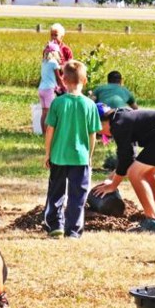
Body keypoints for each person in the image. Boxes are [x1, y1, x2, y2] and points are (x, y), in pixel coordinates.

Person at [91, 105, 155, 233]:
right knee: (149, 174)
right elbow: (129, 158)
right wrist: (110, 179)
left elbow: (125, 159)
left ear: (101, 122)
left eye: (99, 130)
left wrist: (113, 185)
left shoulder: (118, 125)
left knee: (135, 174)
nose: (102, 134)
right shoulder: (122, 117)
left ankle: (153, 223)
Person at [43, 60, 101, 238]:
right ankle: (73, 231)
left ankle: (55, 226)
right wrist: (90, 156)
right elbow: (93, 135)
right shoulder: (90, 105)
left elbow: (50, 130)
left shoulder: (58, 103)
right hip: (81, 157)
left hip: (59, 156)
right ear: (84, 81)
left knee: (56, 192)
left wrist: (48, 153)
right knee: (78, 196)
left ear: (63, 79)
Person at [38, 45, 63, 134]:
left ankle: (43, 133)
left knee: (44, 112)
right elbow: (58, 77)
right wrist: (63, 87)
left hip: (41, 89)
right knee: (49, 113)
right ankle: (49, 133)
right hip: (49, 89)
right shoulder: (54, 63)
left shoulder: (44, 62)